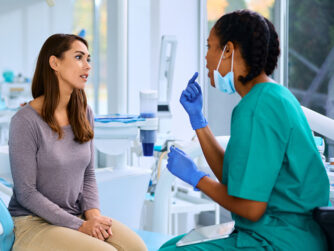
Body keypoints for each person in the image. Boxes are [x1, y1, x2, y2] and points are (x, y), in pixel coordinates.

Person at [159, 10, 329, 251]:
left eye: (209, 47)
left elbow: (250, 207)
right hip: (280, 233)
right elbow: (236, 182)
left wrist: (197, 178)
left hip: (280, 240)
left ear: (228, 50)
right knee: (172, 244)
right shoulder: (271, 97)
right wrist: (198, 120)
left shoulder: (259, 107)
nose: (206, 58)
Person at [8, 34, 147, 251]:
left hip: (76, 215)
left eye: (88, 59)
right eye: (79, 57)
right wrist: (80, 226)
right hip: (33, 223)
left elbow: (88, 175)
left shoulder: (84, 113)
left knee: (137, 248)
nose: (88, 66)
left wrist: (93, 217)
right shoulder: (25, 121)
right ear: (54, 63)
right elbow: (26, 193)